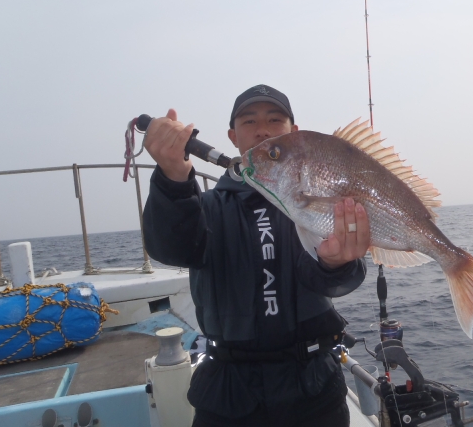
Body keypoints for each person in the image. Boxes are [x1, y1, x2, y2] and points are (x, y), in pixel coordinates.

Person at [142, 84, 371, 427]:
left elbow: (334, 281)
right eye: (249, 121)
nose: (262, 129)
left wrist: (335, 263)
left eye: (274, 120)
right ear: (233, 137)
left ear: (294, 133)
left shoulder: (315, 204)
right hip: (228, 392)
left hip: (314, 388)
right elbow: (171, 248)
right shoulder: (205, 207)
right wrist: (173, 179)